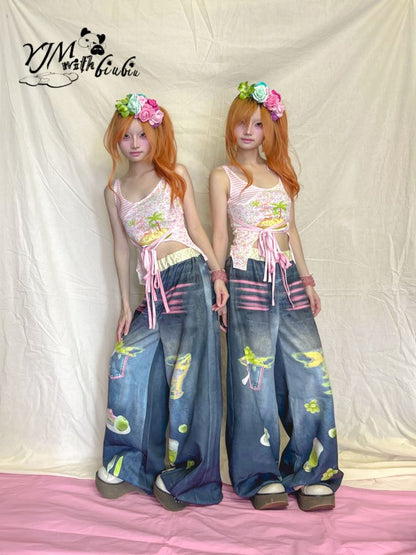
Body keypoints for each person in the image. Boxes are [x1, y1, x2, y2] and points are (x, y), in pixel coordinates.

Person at [209, 81, 342, 511]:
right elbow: (219, 234)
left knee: (310, 370)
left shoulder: (282, 175)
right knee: (255, 376)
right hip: (246, 273)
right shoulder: (223, 176)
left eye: (258, 124)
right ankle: (260, 474)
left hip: (287, 276)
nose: (249, 132)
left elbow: (292, 231)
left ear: (270, 129)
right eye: (242, 124)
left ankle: (312, 471)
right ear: (231, 127)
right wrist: (218, 280)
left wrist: (307, 280)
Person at [96, 92, 228, 511]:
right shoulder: (114, 191)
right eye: (126, 136)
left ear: (156, 135)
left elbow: (196, 229)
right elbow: (122, 248)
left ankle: (188, 475)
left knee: (187, 378)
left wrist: (217, 274)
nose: (134, 143)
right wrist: (125, 304)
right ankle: (129, 463)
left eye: (142, 134)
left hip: (188, 274)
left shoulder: (175, 175)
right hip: (152, 289)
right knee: (125, 362)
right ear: (116, 140)